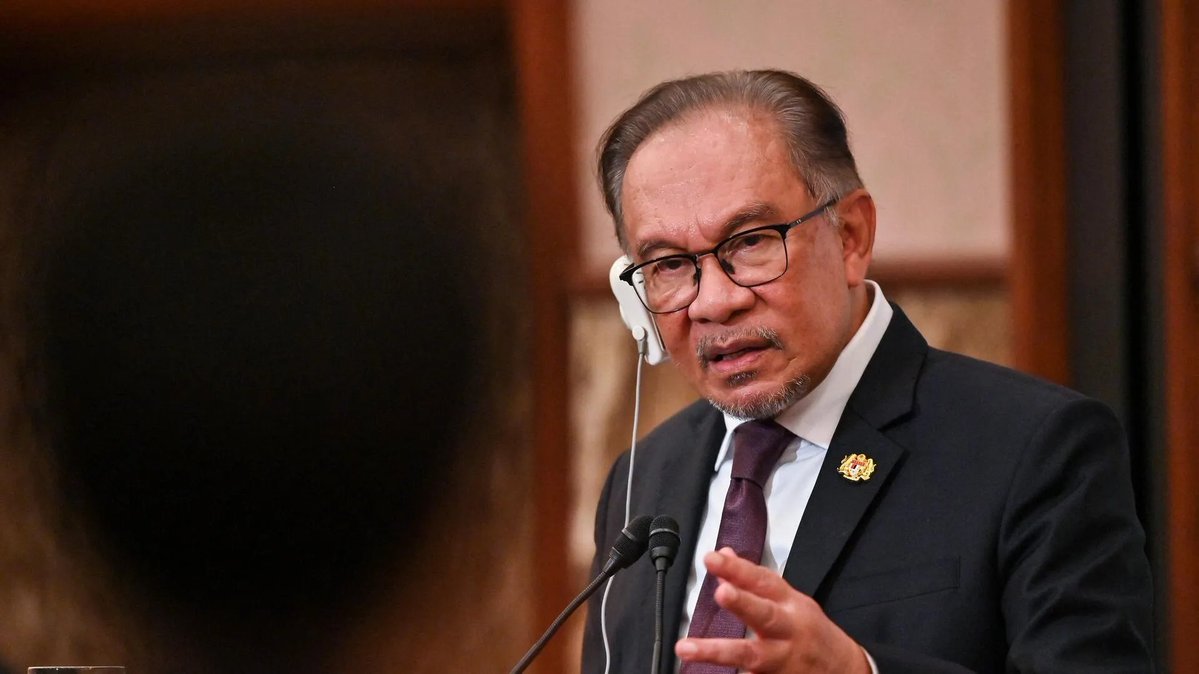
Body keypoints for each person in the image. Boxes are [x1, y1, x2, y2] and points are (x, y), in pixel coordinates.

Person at [581, 69, 1154, 673]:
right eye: (670, 265)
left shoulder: (1034, 449)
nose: (715, 302)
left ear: (851, 236)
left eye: (750, 242)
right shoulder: (644, 476)